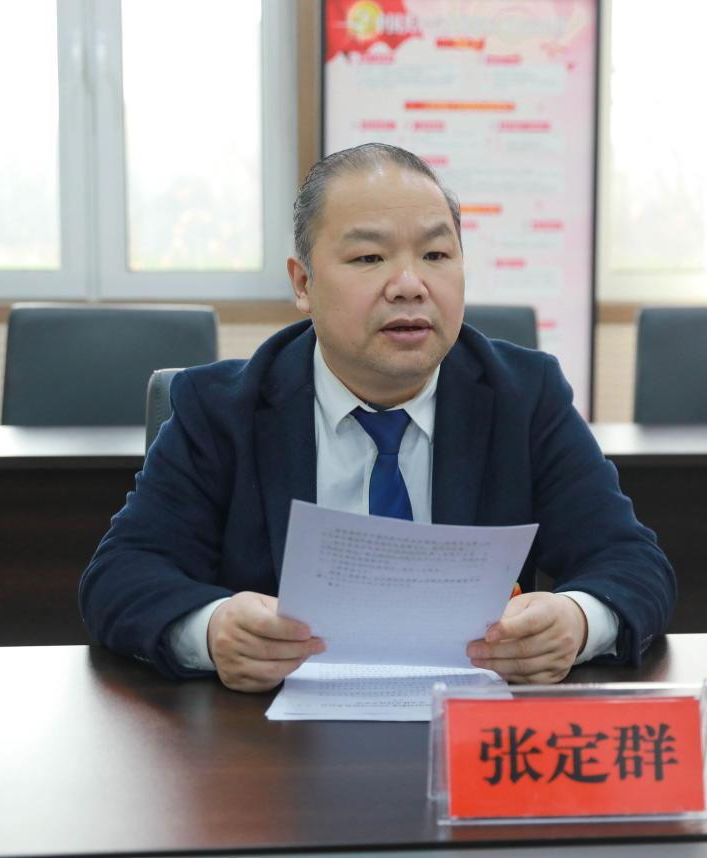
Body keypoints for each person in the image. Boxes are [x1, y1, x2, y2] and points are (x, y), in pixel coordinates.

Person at [80, 143, 675, 692]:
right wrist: (212, 630)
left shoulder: (524, 396)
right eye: (369, 256)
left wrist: (577, 620)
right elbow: (120, 575)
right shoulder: (220, 409)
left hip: (466, 734)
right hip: (268, 742)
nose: (410, 285)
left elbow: (634, 563)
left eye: (436, 254)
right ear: (303, 283)